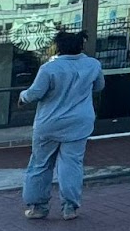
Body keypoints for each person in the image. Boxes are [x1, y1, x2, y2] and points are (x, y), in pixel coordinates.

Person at [18, 26, 104, 220]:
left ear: (58, 47)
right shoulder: (92, 65)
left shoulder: (49, 68)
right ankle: (70, 207)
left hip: (49, 122)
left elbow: (34, 93)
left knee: (40, 163)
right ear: (80, 46)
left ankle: (38, 206)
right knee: (72, 163)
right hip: (79, 122)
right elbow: (99, 86)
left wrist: (22, 97)